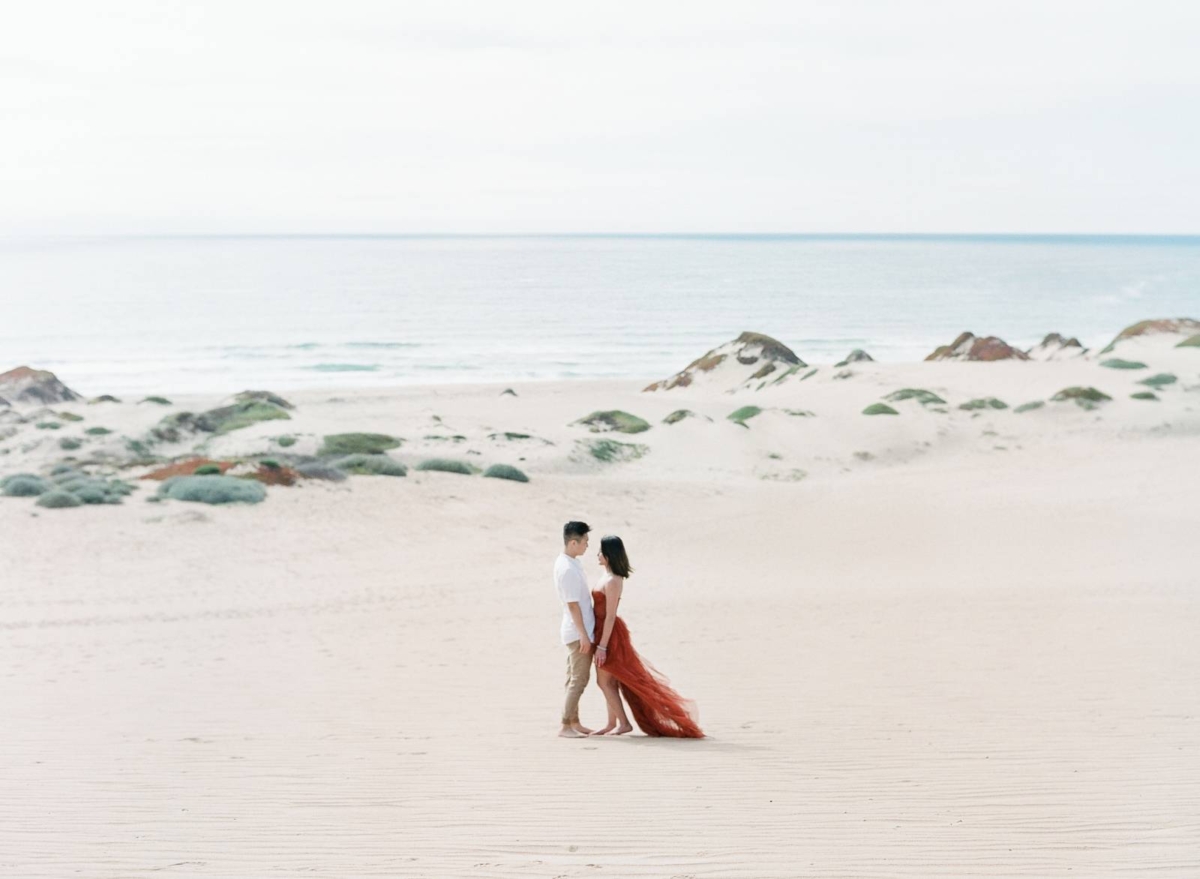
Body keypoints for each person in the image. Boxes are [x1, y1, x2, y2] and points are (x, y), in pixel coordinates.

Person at [592, 535, 704, 738]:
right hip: (601, 632)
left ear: (609, 555)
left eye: (600, 551)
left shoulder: (613, 580)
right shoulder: (605, 576)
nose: (597, 555)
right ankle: (612, 723)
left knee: (604, 681)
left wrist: (602, 646)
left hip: (609, 634)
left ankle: (623, 723)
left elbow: (610, 616)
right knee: (610, 681)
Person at [555, 521, 595, 738]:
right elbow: (572, 605)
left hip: (576, 630)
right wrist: (583, 635)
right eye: (585, 542)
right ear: (573, 542)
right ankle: (565, 726)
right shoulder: (567, 569)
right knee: (578, 680)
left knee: (573, 679)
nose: (587, 546)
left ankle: (574, 721)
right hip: (576, 631)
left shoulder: (571, 562)